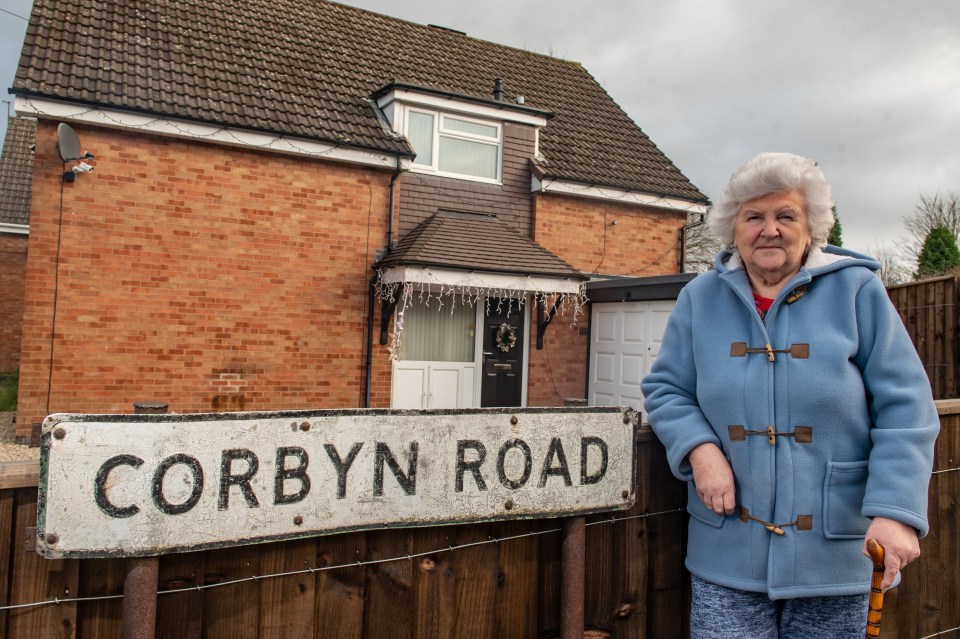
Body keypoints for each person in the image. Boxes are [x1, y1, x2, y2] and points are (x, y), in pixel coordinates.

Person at [641, 152, 939, 638]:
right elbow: (667, 388)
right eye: (753, 217)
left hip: (837, 545)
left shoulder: (857, 291)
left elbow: (907, 407)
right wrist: (700, 449)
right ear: (733, 228)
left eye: (785, 216)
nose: (769, 230)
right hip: (728, 546)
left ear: (812, 227)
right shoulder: (700, 297)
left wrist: (895, 513)